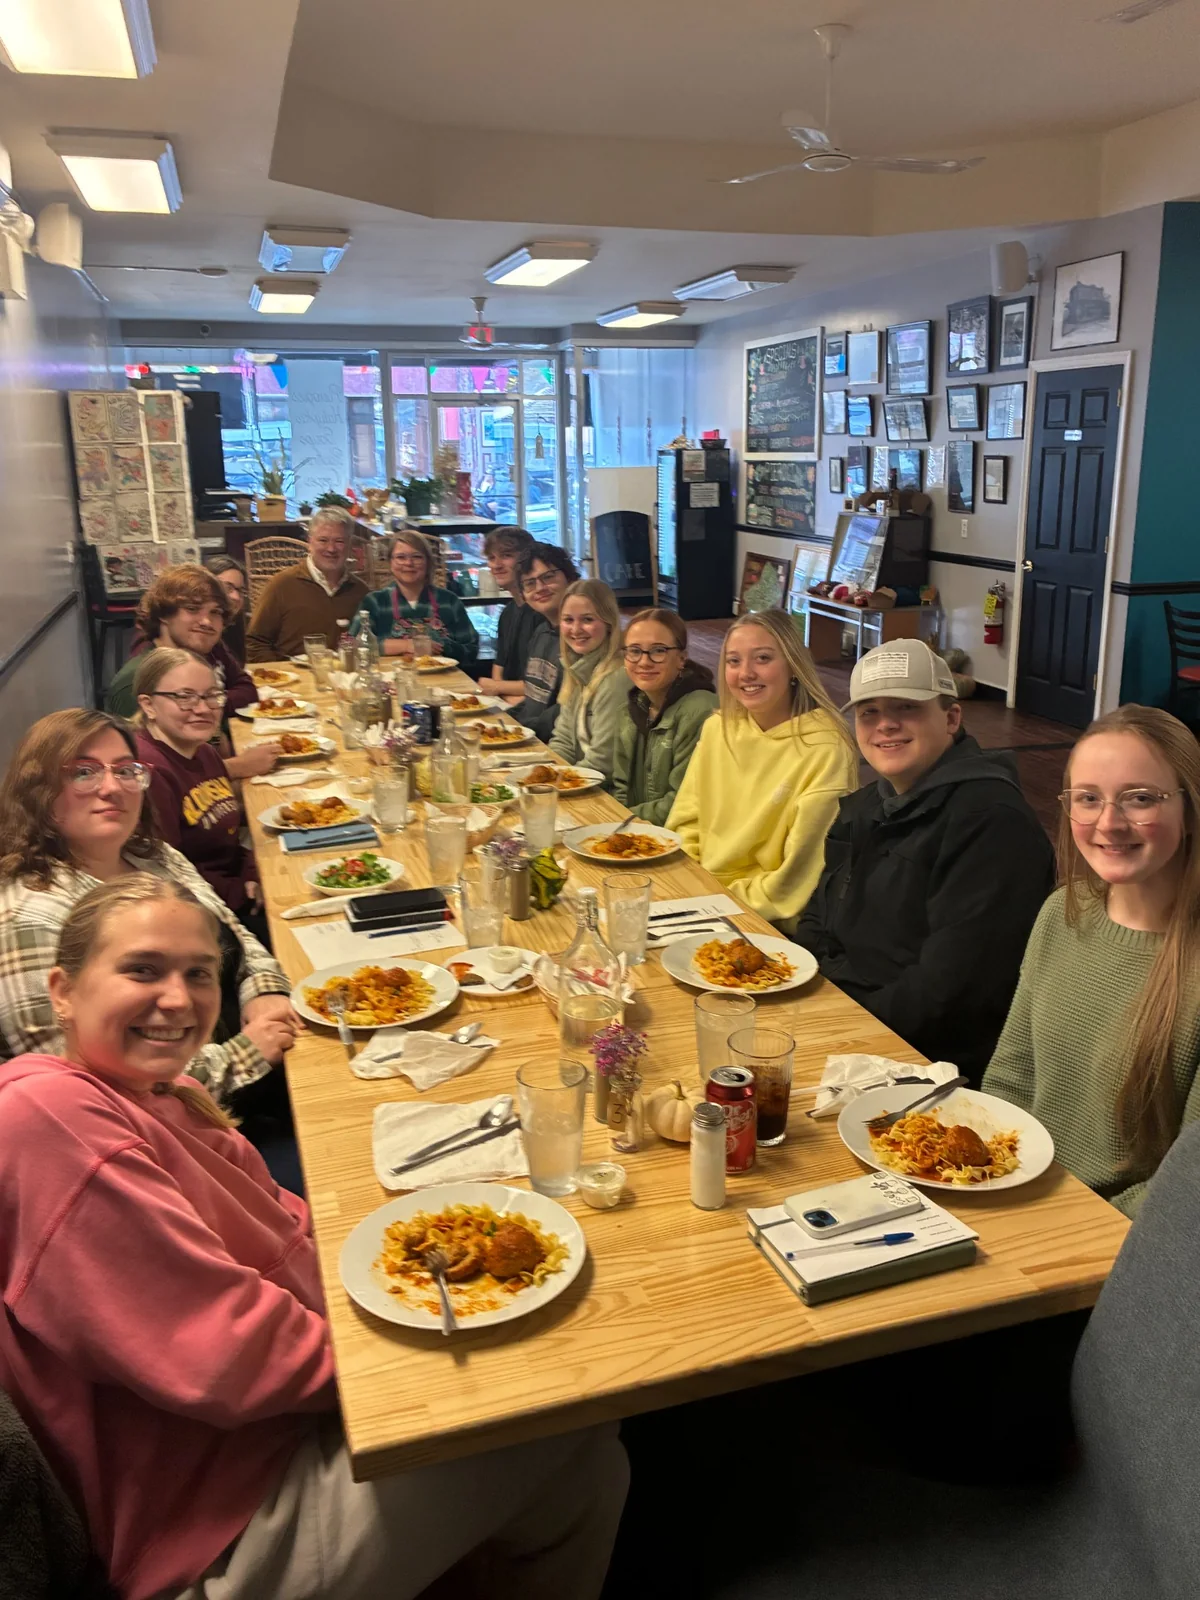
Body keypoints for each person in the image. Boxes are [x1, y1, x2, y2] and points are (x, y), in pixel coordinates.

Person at [0, 876, 628, 1600]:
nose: (177, 999)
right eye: (142, 970)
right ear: (62, 990)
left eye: (199, 974)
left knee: (589, 1458)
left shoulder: (166, 1094)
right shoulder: (48, 1116)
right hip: (218, 1528)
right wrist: (415, 1373)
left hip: (277, 1433)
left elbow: (289, 1231)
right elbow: (222, 1354)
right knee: (561, 1414)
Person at [0, 709, 296, 1111]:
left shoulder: (154, 856)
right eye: (84, 772)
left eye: (126, 771)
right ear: (38, 790)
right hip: (179, 1125)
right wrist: (246, 1054)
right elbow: (89, 1094)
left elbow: (234, 932)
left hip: (247, 1057)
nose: (112, 787)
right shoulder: (29, 916)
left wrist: (265, 990)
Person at [795, 639, 1055, 1086]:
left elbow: (948, 991)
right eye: (869, 712)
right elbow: (818, 914)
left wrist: (841, 1028)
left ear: (951, 718)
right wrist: (811, 996)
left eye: (907, 707)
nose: (885, 724)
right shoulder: (866, 805)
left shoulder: (992, 824)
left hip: (925, 1063)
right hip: (845, 1017)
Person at [984, 704, 1200, 1217]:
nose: (1109, 823)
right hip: (1016, 1194)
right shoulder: (1062, 912)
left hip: (1118, 1236)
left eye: (1140, 798)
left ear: (1190, 810)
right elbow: (1012, 1077)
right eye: (1088, 799)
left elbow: (1187, 1187)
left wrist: (1068, 1223)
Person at [667, 610, 857, 932]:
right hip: (700, 896)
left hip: (767, 921)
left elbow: (797, 876)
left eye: (763, 658)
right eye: (734, 661)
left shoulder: (826, 748)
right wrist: (692, 887)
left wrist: (715, 900)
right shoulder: (718, 728)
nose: (746, 673)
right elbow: (685, 822)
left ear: (793, 665)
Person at [133, 648, 268, 942]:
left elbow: (229, 837)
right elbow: (170, 874)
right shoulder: (150, 773)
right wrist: (239, 891)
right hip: (203, 915)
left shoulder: (204, 752)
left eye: (211, 696)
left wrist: (253, 872)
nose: (204, 709)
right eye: (185, 697)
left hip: (235, 889)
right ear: (148, 705)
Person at [105, 563, 257, 720]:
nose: (206, 621)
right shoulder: (136, 681)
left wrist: (213, 703)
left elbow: (247, 688)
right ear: (164, 614)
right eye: (192, 609)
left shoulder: (206, 648)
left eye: (215, 612)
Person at [612, 609, 717, 824]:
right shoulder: (629, 710)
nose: (644, 661)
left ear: (681, 659)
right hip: (640, 830)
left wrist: (619, 821)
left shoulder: (701, 710)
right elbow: (621, 787)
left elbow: (681, 802)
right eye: (634, 651)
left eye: (658, 650)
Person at [245, 507, 369, 662]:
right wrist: (279, 671)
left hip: (346, 675)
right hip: (291, 675)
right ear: (309, 542)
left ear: (350, 545)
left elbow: (372, 642)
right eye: (323, 540)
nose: (331, 549)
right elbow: (255, 642)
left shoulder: (360, 591)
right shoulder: (282, 585)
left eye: (339, 541)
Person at [547, 580, 630, 785]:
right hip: (582, 780)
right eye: (568, 620)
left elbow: (603, 763)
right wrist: (546, 776)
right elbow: (563, 742)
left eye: (587, 619)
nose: (576, 629)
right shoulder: (578, 669)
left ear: (609, 623)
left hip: (609, 793)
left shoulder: (617, 678)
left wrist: (556, 785)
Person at [361, 529, 479, 665]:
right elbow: (356, 646)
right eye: (400, 557)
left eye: (417, 557)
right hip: (392, 677)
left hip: (443, 677)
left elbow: (471, 650)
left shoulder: (449, 602)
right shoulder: (375, 602)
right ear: (390, 563)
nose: (408, 563)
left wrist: (443, 647)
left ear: (428, 563)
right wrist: (407, 645)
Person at [510, 542, 580, 741]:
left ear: (570, 578)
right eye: (530, 583)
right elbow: (533, 698)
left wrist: (518, 730)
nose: (540, 588)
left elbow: (566, 709)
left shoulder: (581, 639)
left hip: (551, 744)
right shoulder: (541, 632)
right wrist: (503, 720)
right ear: (523, 595)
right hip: (530, 737)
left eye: (548, 577)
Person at [481, 524, 538, 696]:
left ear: (527, 559)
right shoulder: (507, 612)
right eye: (492, 558)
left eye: (506, 555)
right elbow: (499, 667)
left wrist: (497, 688)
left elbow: (543, 686)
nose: (497, 565)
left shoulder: (542, 612)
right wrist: (499, 693)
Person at [205, 555, 248, 664]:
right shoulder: (198, 632)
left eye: (240, 591)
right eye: (228, 588)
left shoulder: (234, 629)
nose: (236, 597)